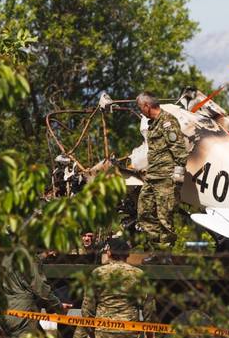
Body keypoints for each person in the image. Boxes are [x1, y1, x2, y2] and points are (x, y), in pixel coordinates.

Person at [135, 91, 188, 253]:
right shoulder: (153, 123)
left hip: (166, 178)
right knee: (144, 212)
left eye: (140, 108)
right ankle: (158, 248)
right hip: (152, 176)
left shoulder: (167, 122)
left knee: (165, 218)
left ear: (147, 106)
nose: (140, 111)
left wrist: (178, 173)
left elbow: (179, 149)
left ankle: (165, 253)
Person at [74, 238, 154, 338]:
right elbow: (148, 306)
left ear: (109, 253)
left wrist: (91, 331)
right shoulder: (139, 274)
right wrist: (149, 331)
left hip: (103, 328)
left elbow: (88, 307)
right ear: (127, 254)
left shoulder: (98, 273)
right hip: (129, 329)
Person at [0, 246, 69, 337]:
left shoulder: (7, 257)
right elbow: (42, 289)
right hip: (24, 315)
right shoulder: (30, 259)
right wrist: (59, 306)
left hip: (6, 312)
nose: (54, 255)